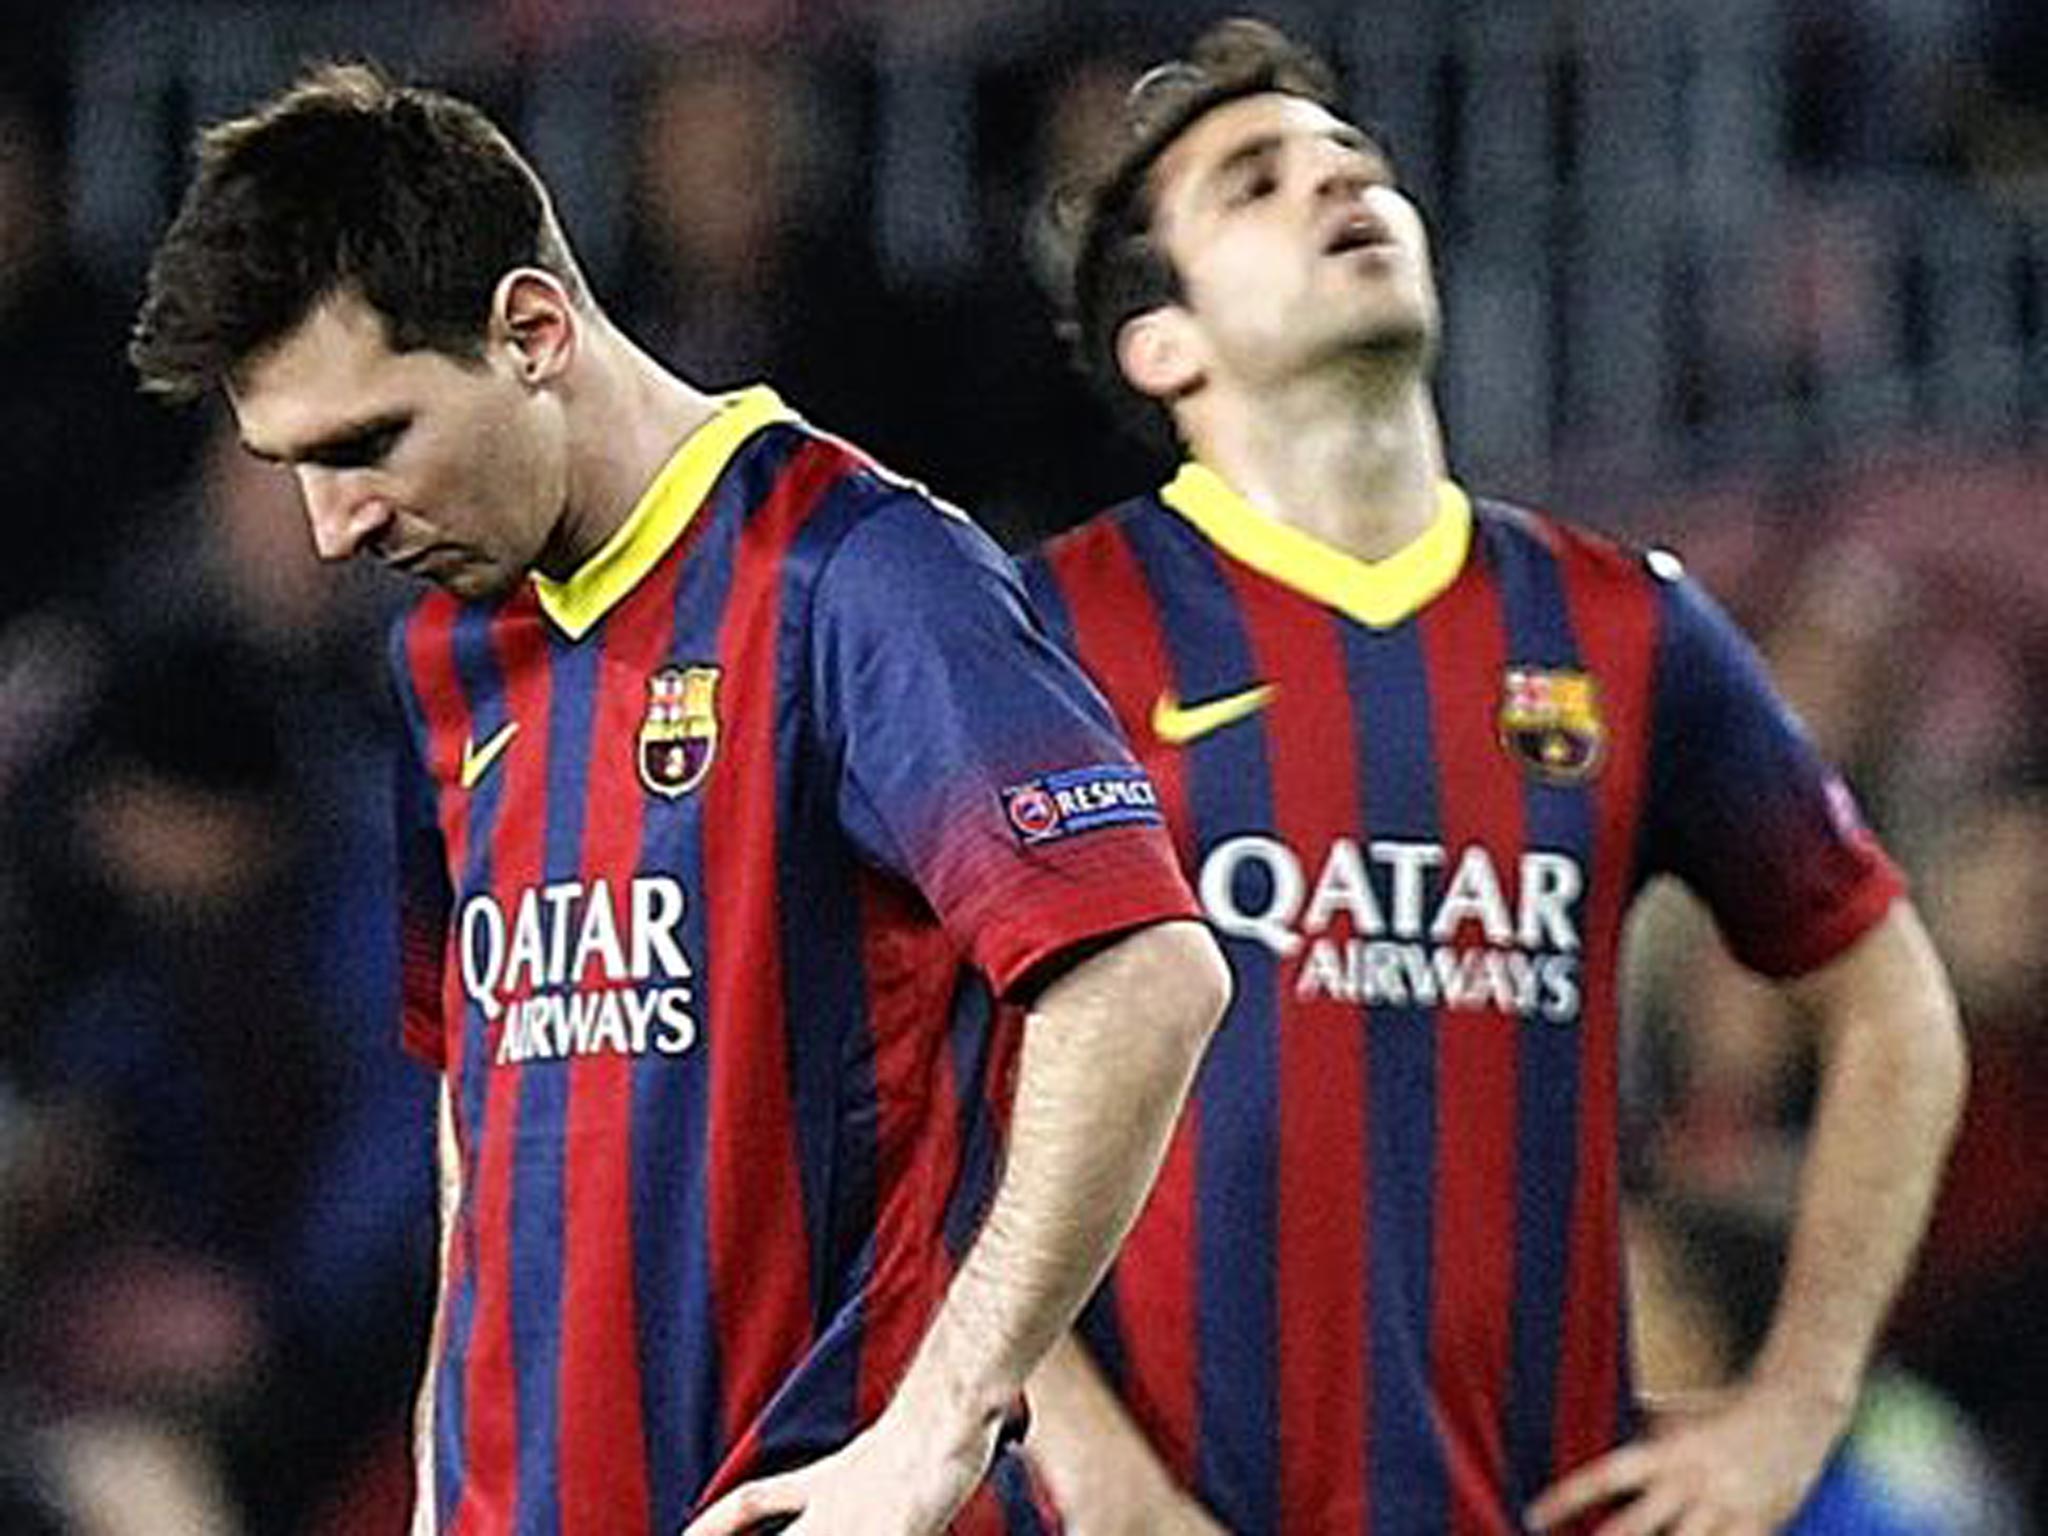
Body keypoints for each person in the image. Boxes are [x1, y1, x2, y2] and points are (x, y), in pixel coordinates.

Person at [129, 63, 1229, 1536]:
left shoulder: (858, 577)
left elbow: (1144, 977)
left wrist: (938, 1427)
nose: (335, 530)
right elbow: (486, 1101)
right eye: (293, 469)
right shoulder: (452, 657)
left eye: (368, 444)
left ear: (531, 331)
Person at [1015, 19, 1967, 1535]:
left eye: (1356, 166)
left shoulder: (1620, 624)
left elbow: (1892, 1001)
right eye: (1256, 183)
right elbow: (919, 1088)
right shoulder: (1051, 631)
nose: (1342, 191)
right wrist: (1087, 1461)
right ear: (1164, 342)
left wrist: (1796, 1403)